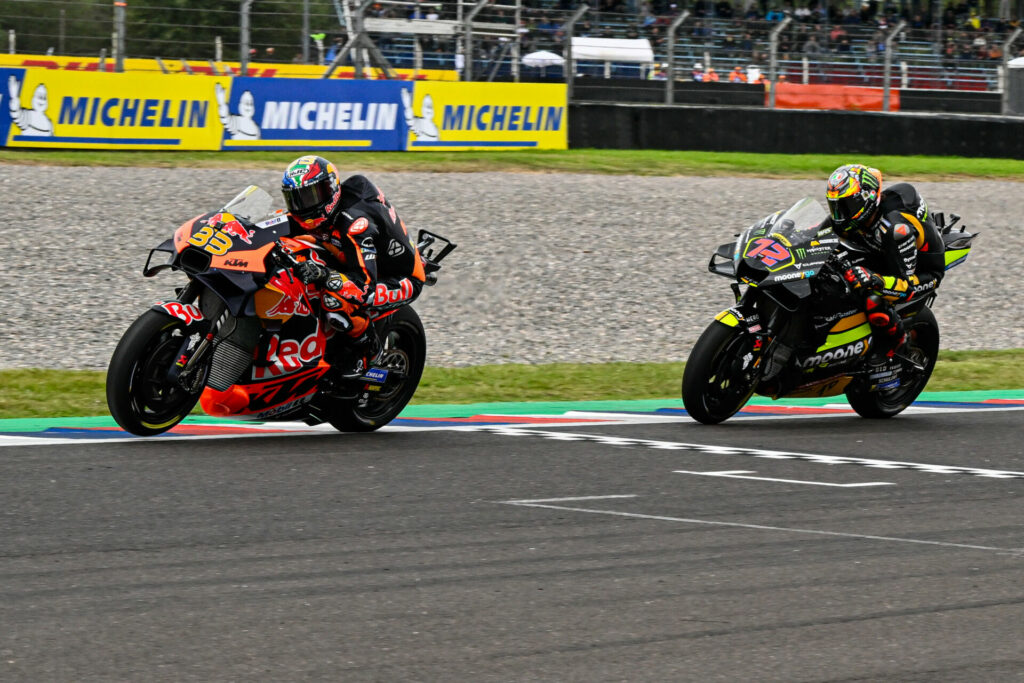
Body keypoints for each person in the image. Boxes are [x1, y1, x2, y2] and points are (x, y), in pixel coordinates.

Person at [281, 155, 427, 373]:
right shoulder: (325, 214)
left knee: (336, 301)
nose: (303, 206)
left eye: (311, 196)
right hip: (351, 261)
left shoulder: (356, 224)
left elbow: (363, 287)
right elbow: (279, 224)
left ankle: (370, 355)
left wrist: (324, 275)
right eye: (296, 199)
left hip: (399, 278)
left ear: (330, 190)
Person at [823, 164, 946, 365]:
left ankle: (894, 344)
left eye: (846, 207)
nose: (840, 215)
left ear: (867, 200)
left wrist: (874, 279)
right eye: (836, 207)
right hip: (883, 252)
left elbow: (905, 285)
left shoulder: (896, 231)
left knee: (872, 296)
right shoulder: (859, 218)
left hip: (920, 273)